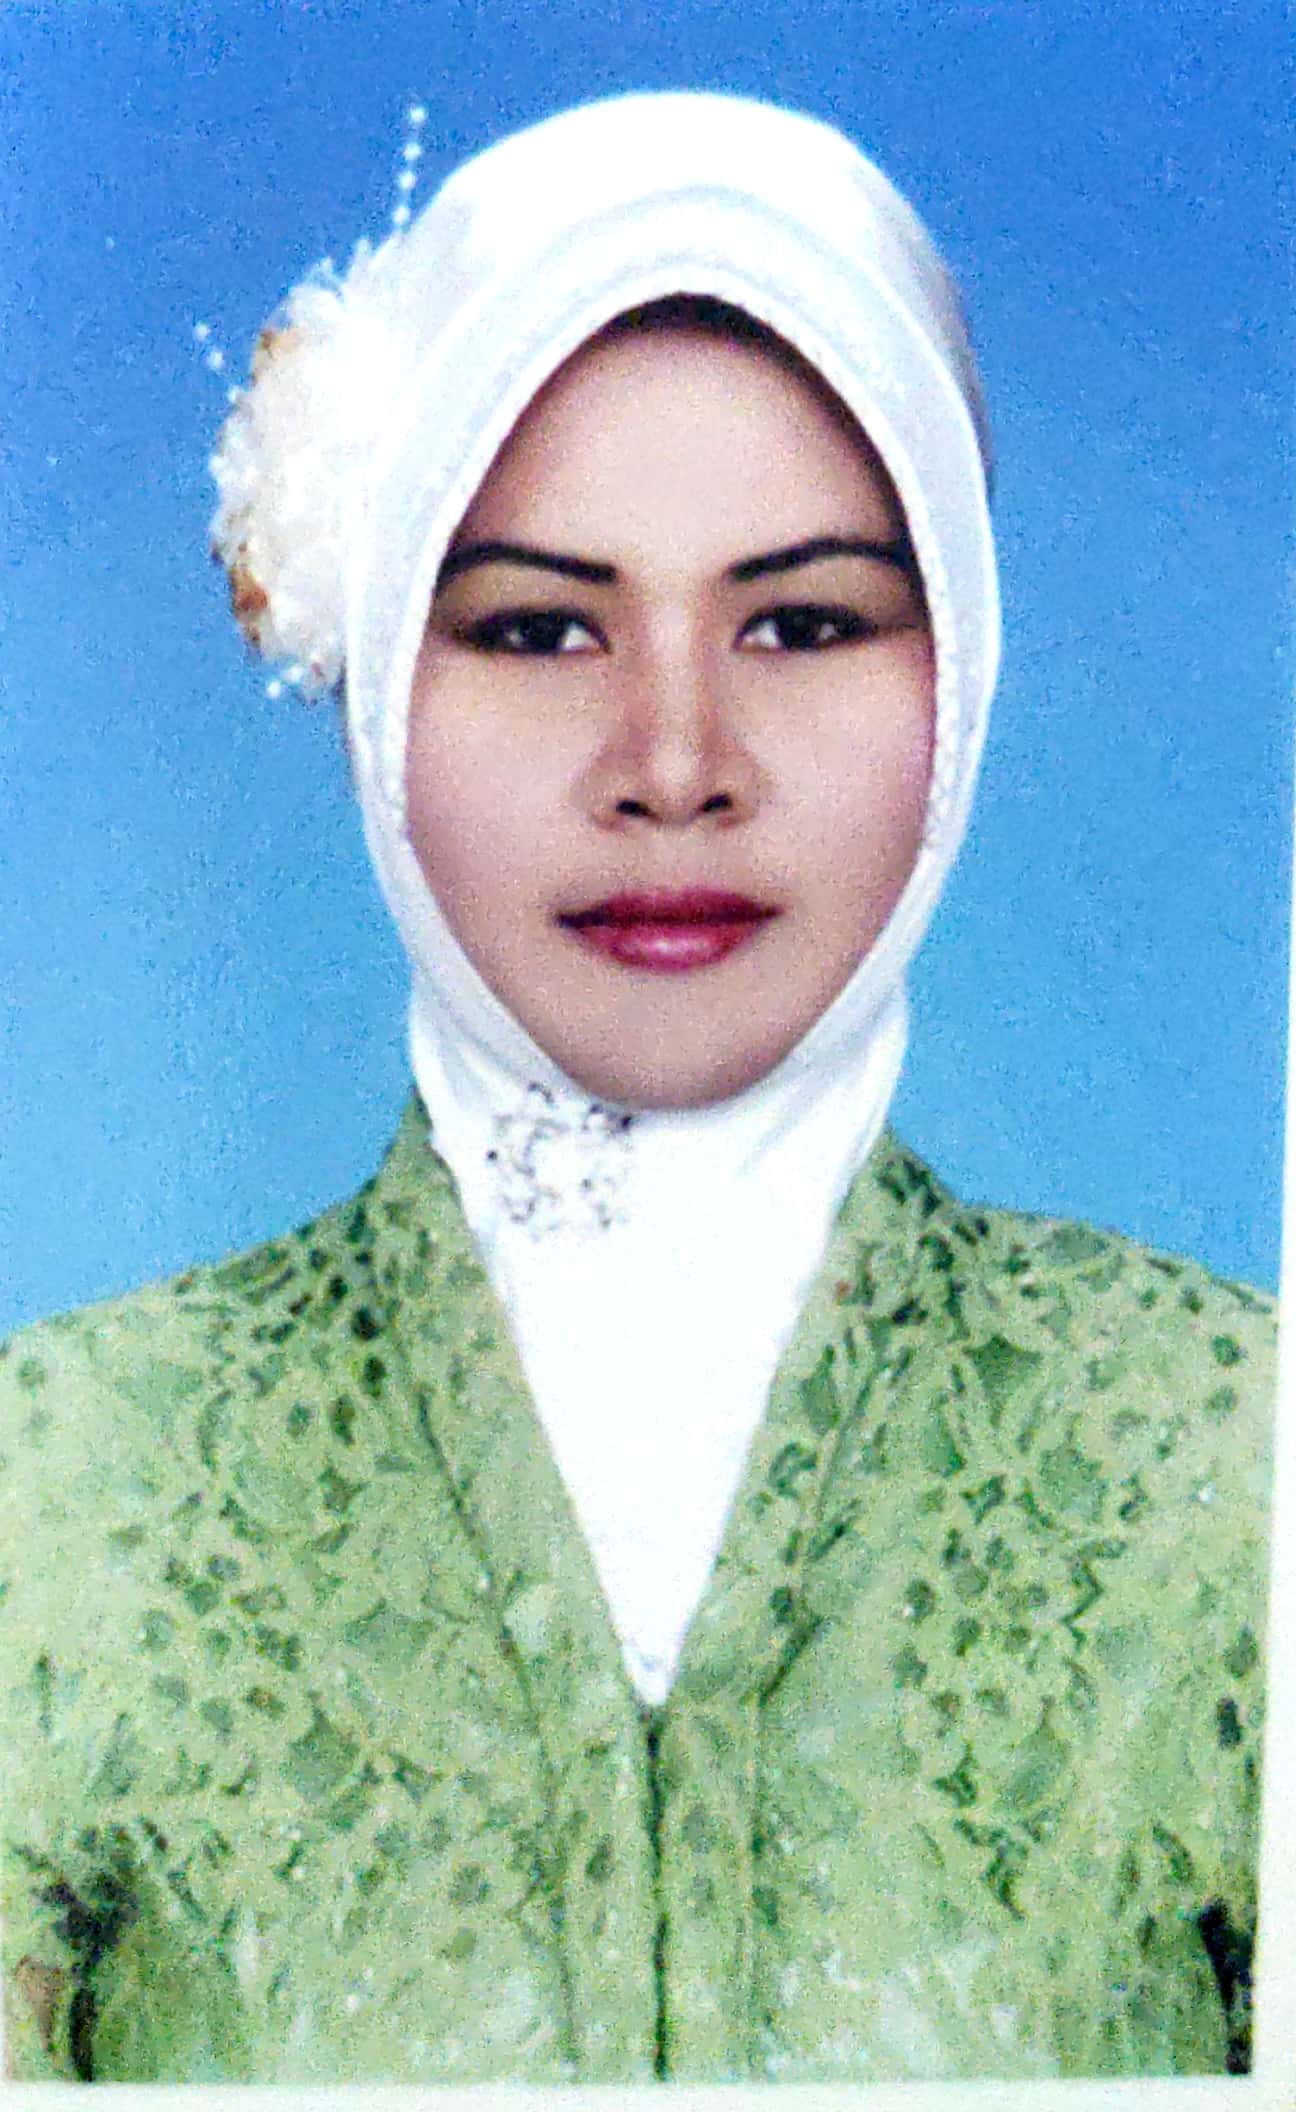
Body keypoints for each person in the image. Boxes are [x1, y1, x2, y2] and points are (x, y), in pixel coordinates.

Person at [0, 90, 1274, 2085]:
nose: (675, 762)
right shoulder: (62, 1487)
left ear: (961, 669)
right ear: (378, 686)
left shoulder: (1233, 1463)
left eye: (803, 621)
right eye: (535, 627)